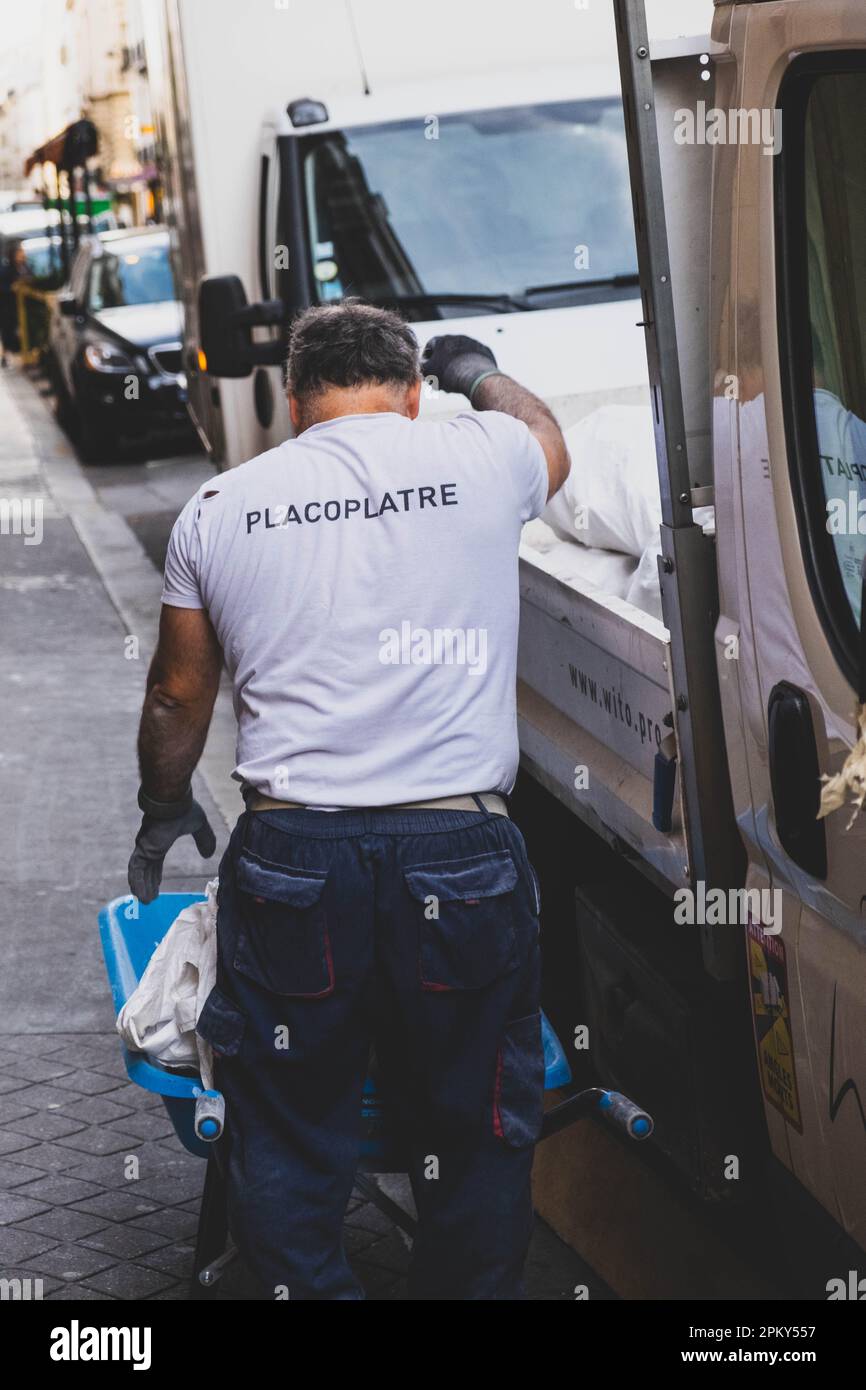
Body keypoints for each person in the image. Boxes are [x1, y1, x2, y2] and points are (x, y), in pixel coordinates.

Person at [127, 299, 569, 1300]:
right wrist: (479, 369)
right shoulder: (485, 454)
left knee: (288, 1123)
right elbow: (548, 438)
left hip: (295, 862)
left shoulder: (219, 505)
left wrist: (164, 805)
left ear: (291, 403)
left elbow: (175, 692)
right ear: (413, 395)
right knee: (478, 1121)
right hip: (458, 855)